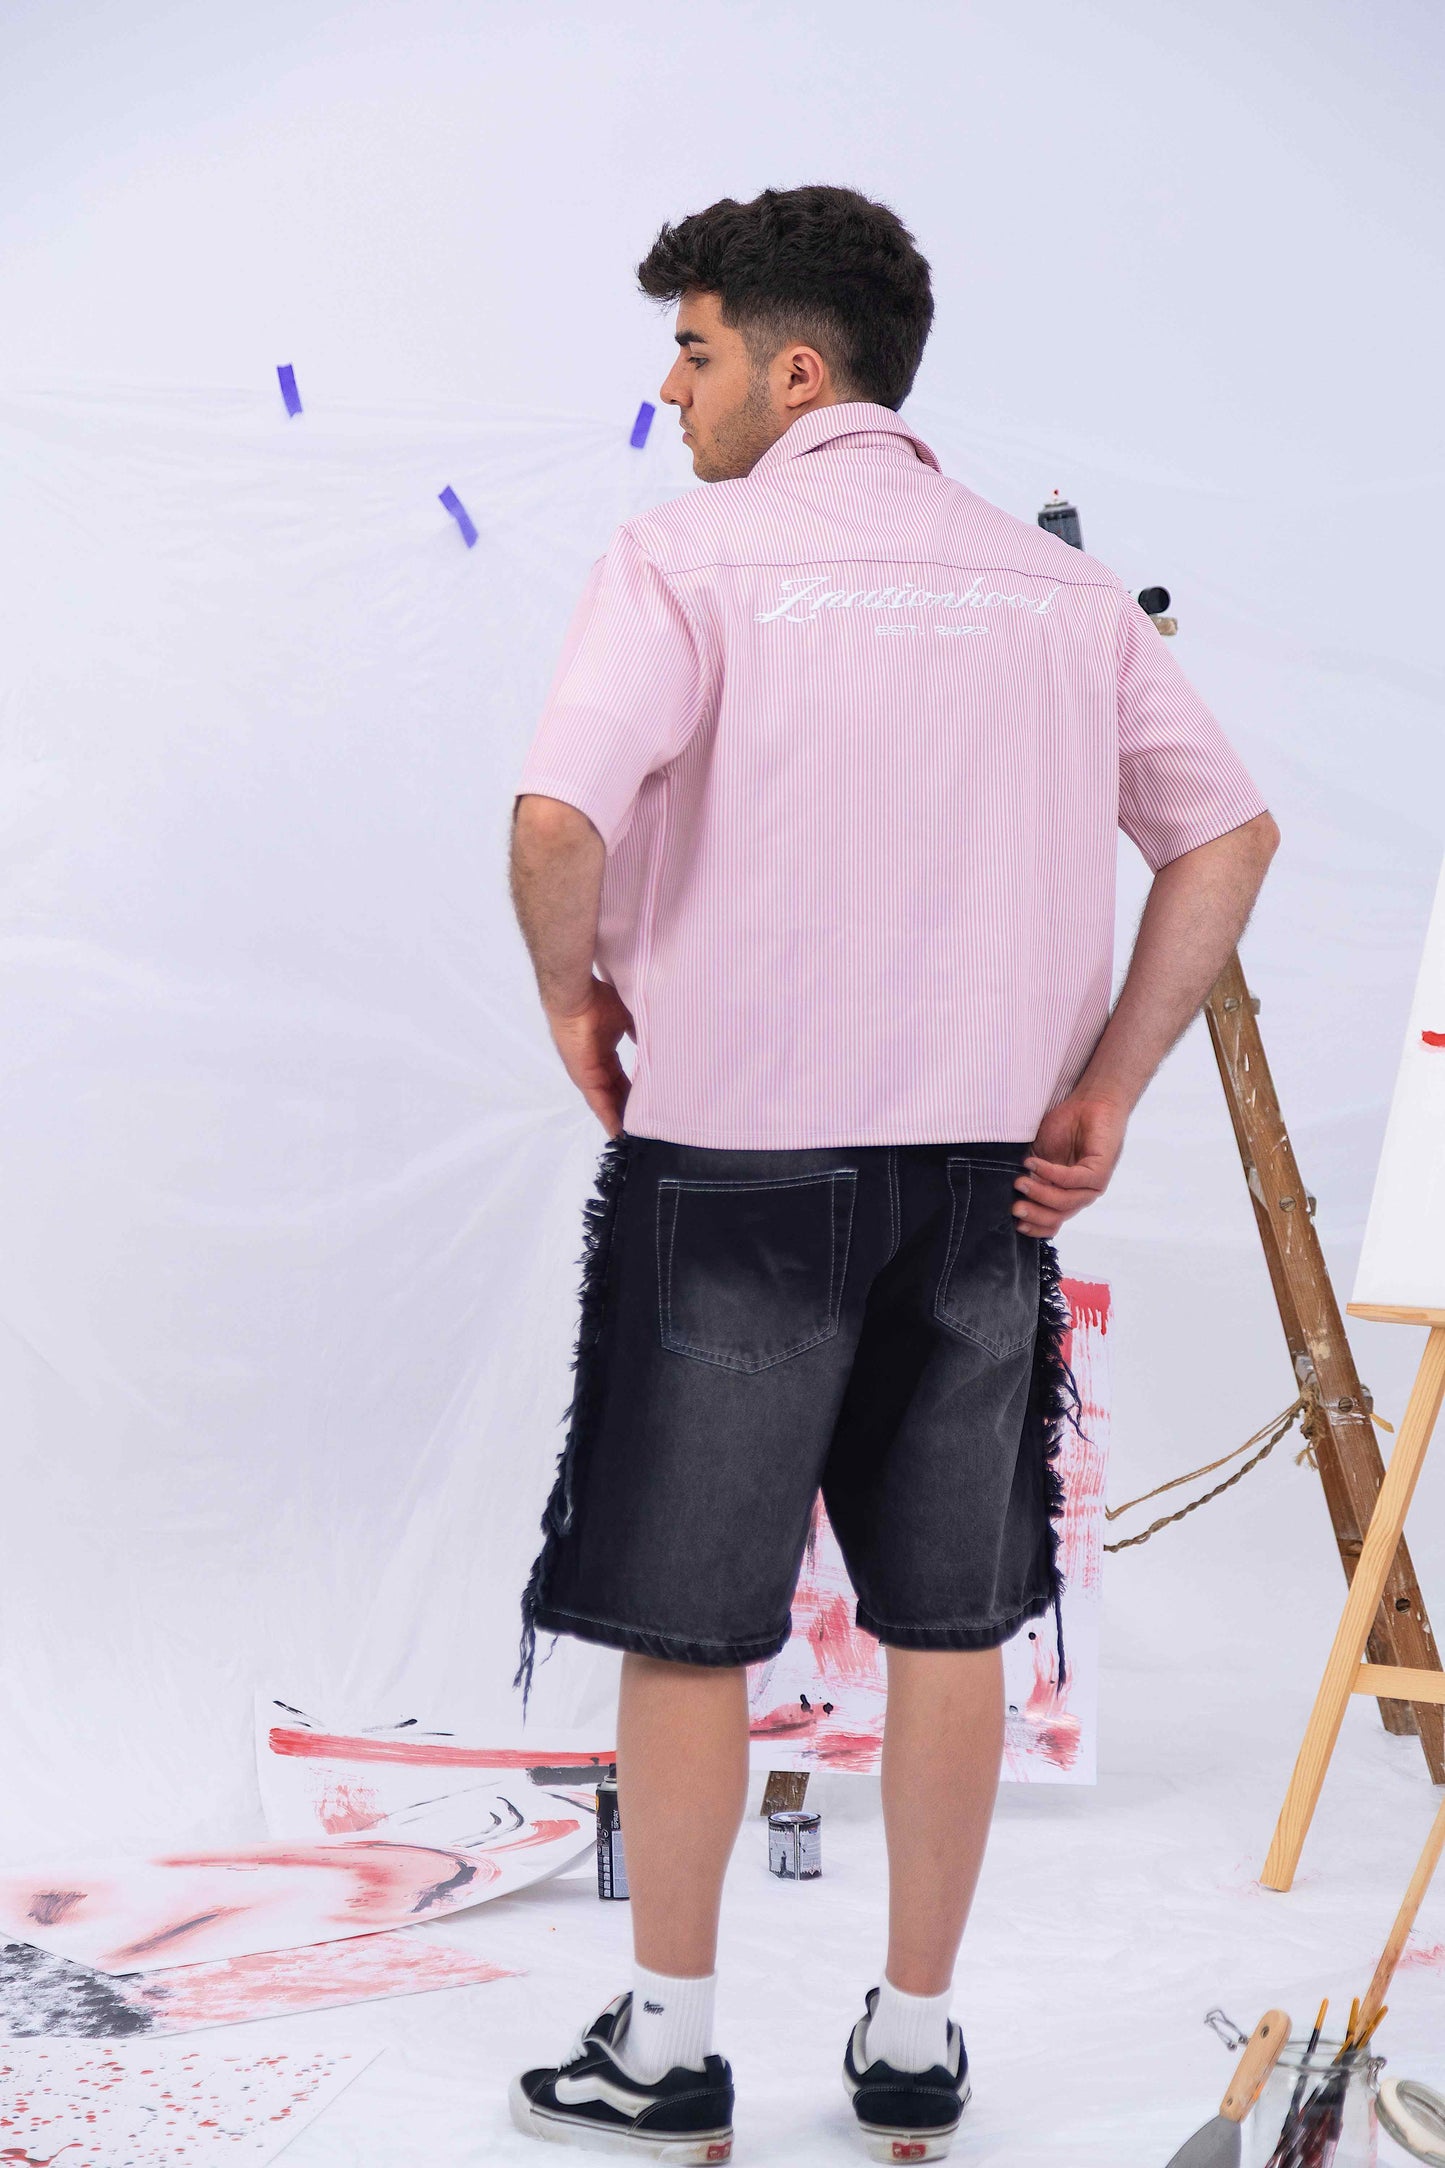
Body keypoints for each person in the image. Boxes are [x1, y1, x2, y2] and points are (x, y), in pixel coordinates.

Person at [505, 183, 1277, 2164]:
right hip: (981, 1181)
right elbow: (1226, 835)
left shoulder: (685, 559)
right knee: (949, 1617)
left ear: (792, 369)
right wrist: (1108, 1082)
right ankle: (916, 2044)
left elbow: (556, 818)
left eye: (692, 351)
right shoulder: (1056, 591)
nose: (670, 392)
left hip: (735, 1170)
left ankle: (669, 2045)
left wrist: (576, 996)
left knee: (688, 1619)